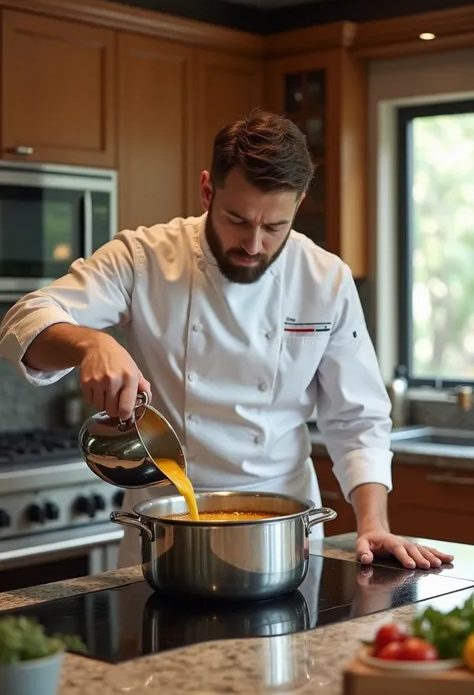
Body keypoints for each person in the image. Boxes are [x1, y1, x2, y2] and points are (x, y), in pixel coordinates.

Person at [0, 109, 452, 571]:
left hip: (283, 531)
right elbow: (25, 319)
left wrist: (372, 524)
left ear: (297, 206)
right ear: (206, 191)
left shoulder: (325, 279)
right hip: (167, 527)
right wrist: (90, 343)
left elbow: (357, 419)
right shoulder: (144, 258)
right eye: (237, 219)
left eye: (275, 227)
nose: (254, 244)